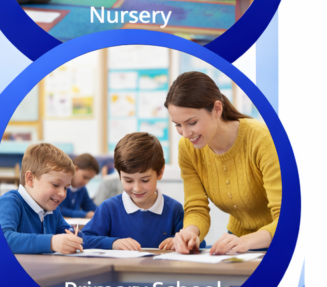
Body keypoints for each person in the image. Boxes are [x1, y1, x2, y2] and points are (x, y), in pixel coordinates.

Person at [165, 71, 281, 255]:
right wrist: (190, 233)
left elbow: (286, 217)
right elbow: (196, 207)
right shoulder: (188, 148)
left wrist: (246, 241)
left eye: (192, 122)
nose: (185, 134)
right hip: (238, 243)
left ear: (217, 109)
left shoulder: (262, 140)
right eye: (178, 125)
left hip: (280, 242)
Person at [82, 133, 184, 251]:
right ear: (119, 175)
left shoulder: (174, 210)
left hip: (161, 269)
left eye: (145, 180)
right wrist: (113, 243)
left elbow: (198, 243)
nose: (137, 188)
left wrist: (178, 241)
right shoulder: (108, 208)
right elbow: (84, 239)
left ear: (160, 173)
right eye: (128, 180)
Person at [0, 143, 84, 255]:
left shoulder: (52, 210)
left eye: (66, 188)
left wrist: (76, 239)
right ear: (30, 179)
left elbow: (69, 233)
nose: (62, 194)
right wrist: (51, 242)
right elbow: (1, 239)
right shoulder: (10, 202)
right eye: (56, 184)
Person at [61, 154, 100, 218]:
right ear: (75, 169)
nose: (86, 182)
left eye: (89, 179)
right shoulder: (60, 186)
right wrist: (85, 214)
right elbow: (60, 210)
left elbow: (91, 207)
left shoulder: (82, 189)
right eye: (85, 177)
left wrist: (102, 212)